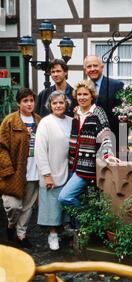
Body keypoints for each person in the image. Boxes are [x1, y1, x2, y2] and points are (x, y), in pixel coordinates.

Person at [58, 79, 120, 208]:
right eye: (79, 94)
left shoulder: (98, 112)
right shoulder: (76, 113)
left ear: (92, 95)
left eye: (85, 94)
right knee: (84, 197)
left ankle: (87, 217)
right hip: (72, 164)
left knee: (65, 197)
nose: (82, 97)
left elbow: (105, 134)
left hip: (87, 166)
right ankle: (80, 227)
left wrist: (108, 154)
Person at [0, 88, 41, 248]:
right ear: (18, 103)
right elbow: (1, 147)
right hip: (14, 170)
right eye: (25, 101)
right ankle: (11, 225)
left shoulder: (39, 120)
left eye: (31, 100)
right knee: (13, 205)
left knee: (28, 206)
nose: (29, 104)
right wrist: (7, 169)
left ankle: (21, 235)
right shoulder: (10, 121)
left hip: (34, 169)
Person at [35, 91, 72, 251]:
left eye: (61, 103)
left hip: (67, 169)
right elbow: (40, 150)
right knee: (51, 205)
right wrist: (46, 174)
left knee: (63, 203)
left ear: (66, 104)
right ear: (50, 105)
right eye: (55, 103)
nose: (58, 105)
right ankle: (53, 235)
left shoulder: (71, 121)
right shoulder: (45, 122)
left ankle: (62, 230)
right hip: (51, 169)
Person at [84, 55, 124, 152]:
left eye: (95, 66)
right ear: (85, 70)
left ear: (102, 67)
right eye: (89, 66)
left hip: (113, 143)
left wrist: (123, 143)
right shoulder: (82, 88)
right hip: (88, 144)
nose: (92, 69)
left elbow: (123, 117)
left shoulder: (116, 86)